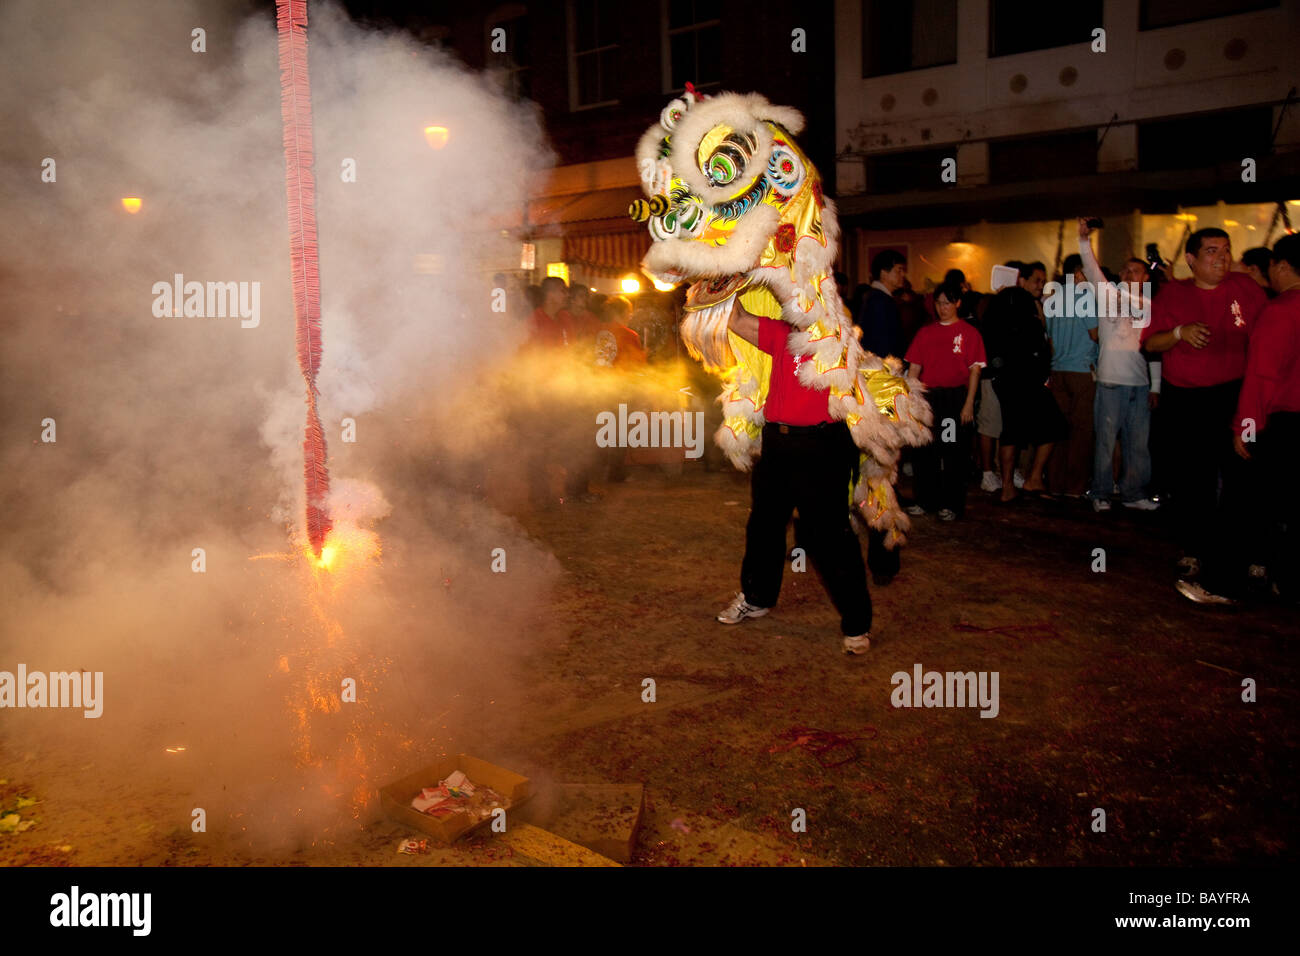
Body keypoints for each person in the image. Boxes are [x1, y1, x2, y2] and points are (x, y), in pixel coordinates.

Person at [716, 295, 875, 656]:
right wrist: (717, 278)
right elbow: (736, 319)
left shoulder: (837, 339)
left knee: (830, 535)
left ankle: (856, 623)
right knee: (763, 525)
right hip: (777, 444)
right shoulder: (781, 334)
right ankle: (756, 597)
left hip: (822, 446)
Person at [1140, 227, 1268, 604]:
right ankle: (1193, 550)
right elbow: (1149, 342)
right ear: (1192, 259)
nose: (1222, 258)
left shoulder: (1246, 291)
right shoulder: (1174, 293)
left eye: (1227, 250)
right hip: (1187, 400)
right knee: (1192, 478)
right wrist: (1179, 332)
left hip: (1234, 395)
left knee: (1242, 476)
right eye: (1212, 251)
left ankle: (1248, 558)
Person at [1233, 234, 1300, 603]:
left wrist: (1245, 428)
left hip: (1285, 421)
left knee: (1259, 503)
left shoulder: (1280, 310)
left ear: (1284, 266)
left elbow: (1260, 376)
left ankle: (1236, 581)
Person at [1076, 218, 1158, 512]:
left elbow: (1155, 350)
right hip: (1111, 381)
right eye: (1124, 270)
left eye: (1134, 271)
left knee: (1138, 443)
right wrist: (1084, 239)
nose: (1127, 273)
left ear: (1145, 278)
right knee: (1106, 441)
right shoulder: (1109, 294)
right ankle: (1099, 492)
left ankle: (1133, 493)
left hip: (1139, 382)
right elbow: (1091, 268)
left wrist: (1155, 386)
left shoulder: (1151, 305)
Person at [904, 280, 986, 520]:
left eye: (947, 303)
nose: (943, 308)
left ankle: (951, 504)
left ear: (958, 303)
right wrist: (912, 399)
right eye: (939, 303)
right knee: (924, 451)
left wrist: (968, 403)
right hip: (929, 398)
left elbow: (975, 371)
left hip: (953, 399)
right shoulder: (925, 332)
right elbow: (914, 368)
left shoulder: (969, 333)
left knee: (952, 453)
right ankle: (924, 500)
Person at [982, 285, 1066, 502]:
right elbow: (1044, 352)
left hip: (1005, 381)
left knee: (1010, 433)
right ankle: (1034, 477)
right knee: (1053, 425)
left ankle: (1008, 486)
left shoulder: (994, 323)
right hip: (1029, 382)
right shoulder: (1030, 323)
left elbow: (992, 357)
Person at [1045, 253, 1099, 497]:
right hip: (1081, 370)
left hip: (1058, 371)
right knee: (1081, 432)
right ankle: (1076, 486)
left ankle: (1056, 483)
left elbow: (1049, 338)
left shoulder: (1054, 298)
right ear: (1079, 273)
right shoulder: (1085, 296)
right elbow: (1095, 334)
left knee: (1058, 429)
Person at [856, 250, 906, 359]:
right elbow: (882, 341)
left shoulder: (877, 297)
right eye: (899, 270)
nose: (903, 274)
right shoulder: (879, 300)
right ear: (883, 273)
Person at [529, 276, 576, 347]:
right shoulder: (534, 321)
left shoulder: (565, 316)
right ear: (550, 294)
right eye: (563, 291)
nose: (568, 295)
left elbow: (573, 346)